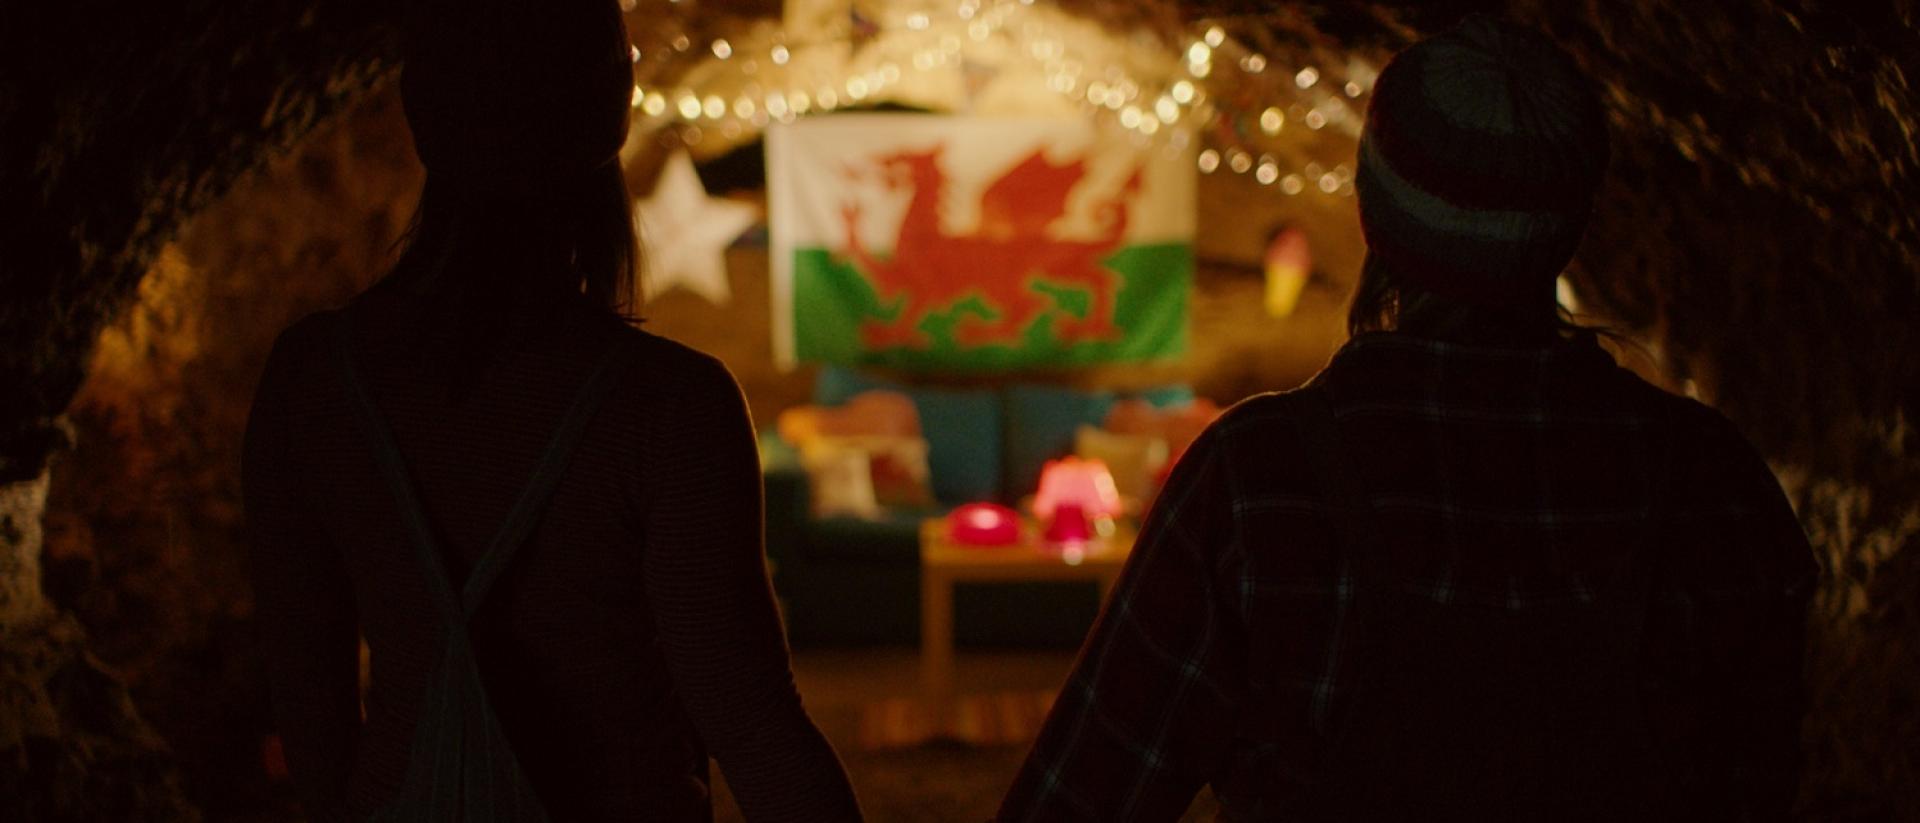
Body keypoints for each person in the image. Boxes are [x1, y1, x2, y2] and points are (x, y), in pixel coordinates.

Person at [997, 15, 1817, 822]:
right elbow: (1763, 779)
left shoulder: (1254, 483)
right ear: (1575, 228)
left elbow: (1085, 793)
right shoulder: (1716, 482)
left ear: (1371, 218)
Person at [243, 1, 861, 820]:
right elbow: (749, 718)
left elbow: (310, 704)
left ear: (424, 117)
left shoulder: (312, 381)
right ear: (603, 131)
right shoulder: (669, 406)